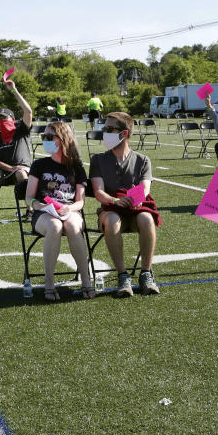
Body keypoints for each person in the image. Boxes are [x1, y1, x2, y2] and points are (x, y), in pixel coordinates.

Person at [89, 111, 160, 297]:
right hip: (111, 210)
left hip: (136, 210)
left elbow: (145, 189)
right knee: (112, 220)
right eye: (104, 128)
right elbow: (98, 192)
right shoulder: (98, 159)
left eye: (109, 129)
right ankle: (123, 276)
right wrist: (115, 200)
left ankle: (146, 273)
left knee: (146, 218)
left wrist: (134, 198)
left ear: (124, 133)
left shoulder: (143, 160)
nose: (105, 132)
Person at [25, 121, 93, 301]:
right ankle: (49, 282)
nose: (45, 140)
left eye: (49, 137)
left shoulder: (76, 167)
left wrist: (69, 208)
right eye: (44, 137)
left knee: (71, 225)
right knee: (55, 226)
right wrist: (37, 205)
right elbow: (29, 197)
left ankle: (86, 281)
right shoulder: (39, 165)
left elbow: (80, 202)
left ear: (62, 140)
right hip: (44, 213)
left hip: (70, 210)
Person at [0, 79, 33, 222]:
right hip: (3, 172)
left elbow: (28, 111)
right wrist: (11, 168)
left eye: (5, 118)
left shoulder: (21, 131)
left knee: (21, 172)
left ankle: (30, 210)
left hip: (22, 171)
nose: (2, 121)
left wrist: (14, 91)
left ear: (13, 119)